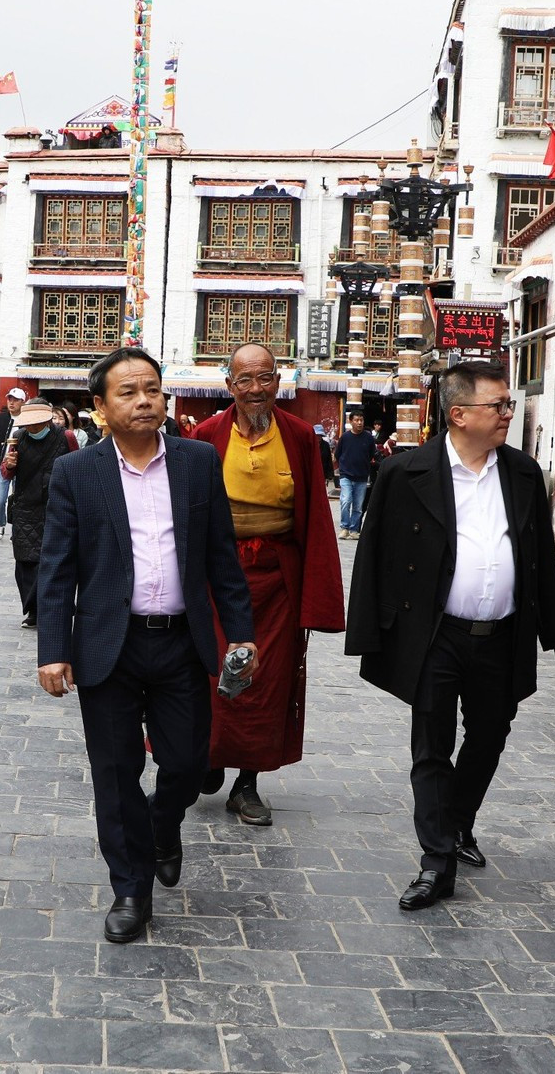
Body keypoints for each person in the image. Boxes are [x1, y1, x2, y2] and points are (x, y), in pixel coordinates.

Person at [35, 346, 255, 943]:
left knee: (186, 764)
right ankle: (130, 888)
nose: (143, 401)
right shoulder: (77, 472)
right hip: (110, 645)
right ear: (100, 407)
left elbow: (220, 557)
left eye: (152, 389)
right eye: (128, 392)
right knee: (115, 771)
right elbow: (55, 569)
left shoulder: (197, 462)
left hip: (181, 643)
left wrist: (241, 632)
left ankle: (163, 826)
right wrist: (53, 648)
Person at [345, 360, 555, 911]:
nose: (508, 415)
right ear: (459, 413)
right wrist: (369, 632)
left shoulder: (521, 473)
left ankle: (457, 822)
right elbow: (373, 555)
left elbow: (539, 556)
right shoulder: (406, 472)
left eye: (509, 404)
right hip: (435, 635)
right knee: (431, 747)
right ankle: (436, 861)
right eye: (499, 406)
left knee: (491, 734)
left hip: (503, 632)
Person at [189, 344, 344, 826]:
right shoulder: (206, 435)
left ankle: (247, 783)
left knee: (266, 681)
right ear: (229, 385)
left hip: (277, 577)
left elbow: (316, 515)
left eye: (265, 379)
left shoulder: (299, 436)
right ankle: (210, 757)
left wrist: (318, 598)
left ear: (278, 382)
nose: (255, 390)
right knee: (211, 672)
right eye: (245, 380)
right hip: (218, 573)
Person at [2, 397, 65, 628]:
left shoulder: (64, 437)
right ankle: (32, 609)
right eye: (29, 424)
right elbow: (6, 473)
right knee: (25, 562)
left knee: (50, 560)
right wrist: (9, 464)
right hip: (25, 507)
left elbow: (76, 467)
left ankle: (46, 609)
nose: (33, 428)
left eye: (37, 424)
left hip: (56, 506)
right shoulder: (17, 439)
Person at [0, 387, 25, 537]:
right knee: (0, 500)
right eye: (9, 399)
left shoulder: (27, 420)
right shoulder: (0, 418)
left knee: (18, 500)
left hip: (21, 466)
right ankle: (0, 524)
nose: (11, 403)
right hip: (1, 464)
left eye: (15, 400)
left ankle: (16, 528)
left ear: (23, 402)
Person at [334, 412, 376, 538]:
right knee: (346, 501)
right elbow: (338, 454)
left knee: (358, 506)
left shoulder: (368, 438)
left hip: (362, 477)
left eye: (361, 420)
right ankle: (344, 527)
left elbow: (371, 454)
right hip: (346, 475)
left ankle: (354, 530)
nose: (359, 423)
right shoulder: (345, 437)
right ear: (351, 421)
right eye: (357, 420)